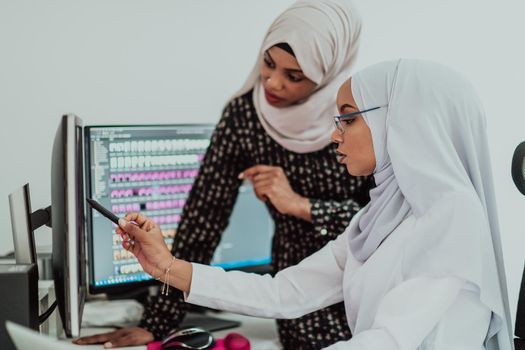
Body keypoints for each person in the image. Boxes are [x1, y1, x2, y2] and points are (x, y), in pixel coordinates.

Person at [100, 59, 513, 349]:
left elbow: (387, 341)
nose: (335, 135)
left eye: (348, 118)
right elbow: (286, 293)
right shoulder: (381, 213)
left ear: (403, 121)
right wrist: (166, 266)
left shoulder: (453, 216)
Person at [75, 0, 370, 348]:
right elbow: (204, 218)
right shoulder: (246, 115)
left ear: (327, 76)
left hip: (365, 285)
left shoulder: (356, 116)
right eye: (268, 63)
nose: (272, 83)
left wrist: (302, 206)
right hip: (292, 297)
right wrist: (158, 322)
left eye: (294, 76)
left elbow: (385, 219)